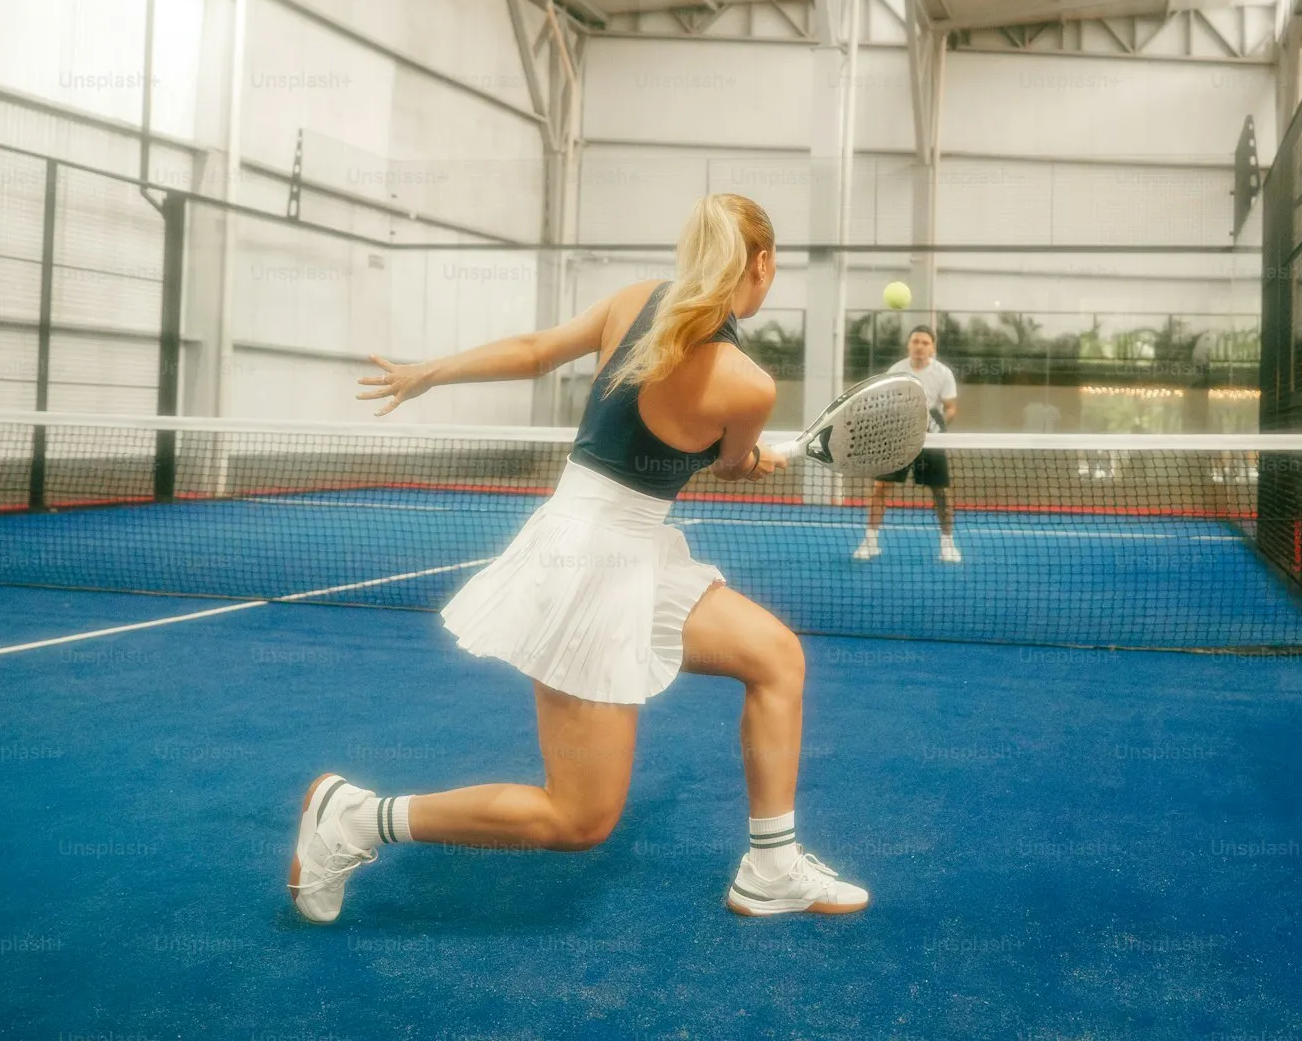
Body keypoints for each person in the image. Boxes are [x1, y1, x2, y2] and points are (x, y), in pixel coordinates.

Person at [288, 193, 868, 923]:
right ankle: (356, 817)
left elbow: (535, 354)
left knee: (776, 657)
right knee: (578, 819)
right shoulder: (748, 384)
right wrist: (749, 460)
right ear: (762, 261)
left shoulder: (634, 302)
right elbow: (727, 464)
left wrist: (429, 371)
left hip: (611, 543)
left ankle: (773, 869)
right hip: (595, 568)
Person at [853, 325, 961, 564]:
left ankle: (948, 545)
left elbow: (951, 407)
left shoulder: (943, 373)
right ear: (908, 345)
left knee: (941, 492)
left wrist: (936, 424)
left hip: (931, 440)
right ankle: (870, 542)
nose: (920, 346)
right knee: (880, 488)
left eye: (925, 342)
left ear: (932, 347)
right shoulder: (897, 370)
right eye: (916, 342)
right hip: (899, 438)